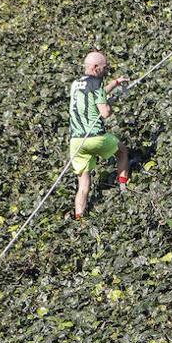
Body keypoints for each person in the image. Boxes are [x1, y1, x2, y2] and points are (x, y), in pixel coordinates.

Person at [69, 50, 130, 219]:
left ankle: (79, 217)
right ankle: (124, 187)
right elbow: (105, 113)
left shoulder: (76, 83)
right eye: (104, 68)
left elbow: (96, 92)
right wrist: (108, 105)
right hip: (95, 138)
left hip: (76, 141)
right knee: (122, 151)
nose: (106, 70)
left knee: (83, 184)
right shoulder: (97, 82)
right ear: (96, 68)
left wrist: (115, 83)